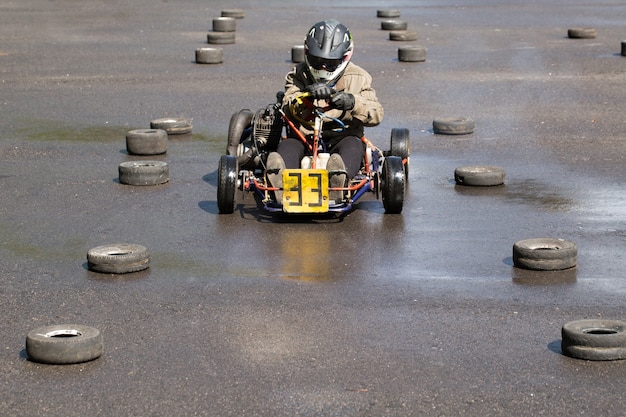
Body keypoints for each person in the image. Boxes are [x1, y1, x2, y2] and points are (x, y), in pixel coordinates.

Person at [267, 19, 384, 203]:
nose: (323, 67)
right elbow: (287, 104)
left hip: (342, 136)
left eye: (329, 63)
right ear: (308, 54)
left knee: (352, 147)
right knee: (287, 146)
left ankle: (337, 182)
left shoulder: (359, 77)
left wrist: (352, 102)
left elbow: (376, 113)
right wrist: (306, 97)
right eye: (318, 61)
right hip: (304, 138)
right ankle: (282, 184)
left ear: (344, 58)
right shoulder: (299, 74)